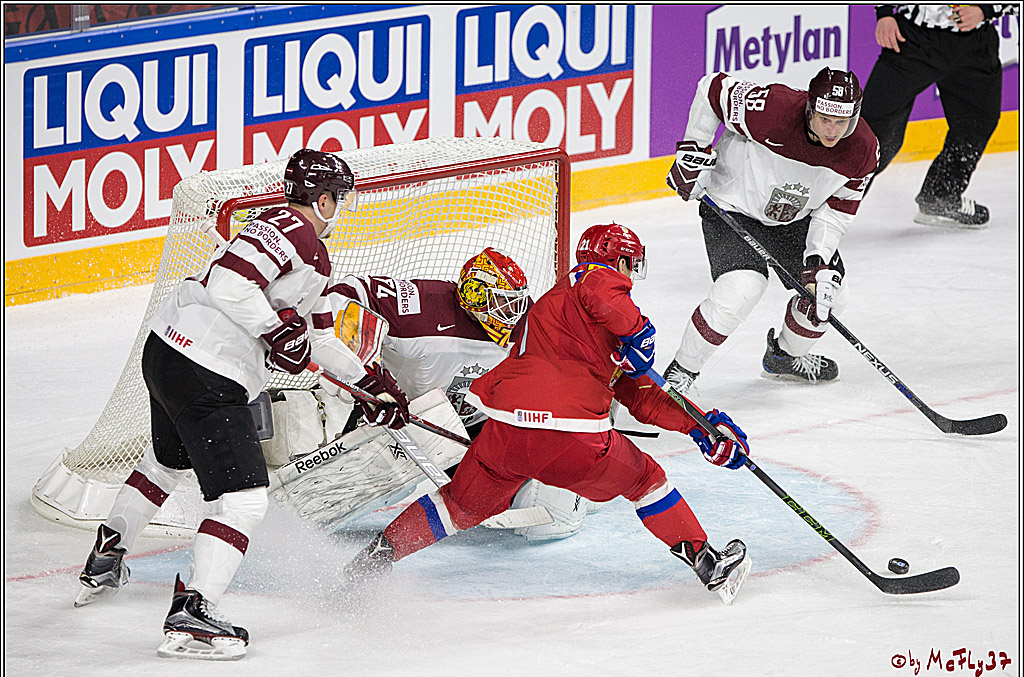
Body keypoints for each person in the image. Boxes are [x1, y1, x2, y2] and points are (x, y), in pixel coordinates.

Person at [74, 148, 404, 661]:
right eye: (339, 199)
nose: (341, 207)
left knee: (166, 462)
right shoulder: (299, 234)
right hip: (206, 369)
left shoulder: (279, 230)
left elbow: (314, 336)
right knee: (245, 498)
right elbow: (232, 285)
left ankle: (108, 552)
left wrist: (370, 382)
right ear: (323, 199)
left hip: (168, 351)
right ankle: (194, 614)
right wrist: (276, 331)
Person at [343, 223, 754, 602]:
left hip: (504, 431)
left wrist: (700, 427)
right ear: (622, 261)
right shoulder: (592, 283)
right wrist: (636, 328)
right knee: (646, 479)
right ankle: (707, 563)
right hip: (568, 432)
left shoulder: (554, 314)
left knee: (460, 505)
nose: (630, 277)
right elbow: (596, 285)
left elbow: (641, 394)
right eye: (629, 266)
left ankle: (375, 557)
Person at [279, 248, 602, 541]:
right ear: (476, 297)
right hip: (402, 416)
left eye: (515, 301)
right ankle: (281, 527)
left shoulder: (528, 322)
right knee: (337, 492)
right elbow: (349, 292)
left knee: (542, 515)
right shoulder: (422, 306)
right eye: (503, 302)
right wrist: (357, 359)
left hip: (478, 427)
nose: (513, 312)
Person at [661, 67, 879, 395]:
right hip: (732, 205)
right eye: (824, 119)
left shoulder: (862, 150)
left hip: (793, 218)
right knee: (741, 289)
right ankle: (680, 374)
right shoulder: (772, 108)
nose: (833, 131)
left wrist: (818, 257)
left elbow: (837, 210)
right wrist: (693, 152)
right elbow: (712, 90)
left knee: (828, 296)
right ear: (809, 109)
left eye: (842, 122)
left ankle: (783, 358)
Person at [860, 4, 1016, 228]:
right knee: (876, 134)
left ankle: (940, 196)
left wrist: (985, 9)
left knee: (977, 123)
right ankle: (824, 207)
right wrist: (884, 13)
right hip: (912, 40)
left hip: (975, 44)